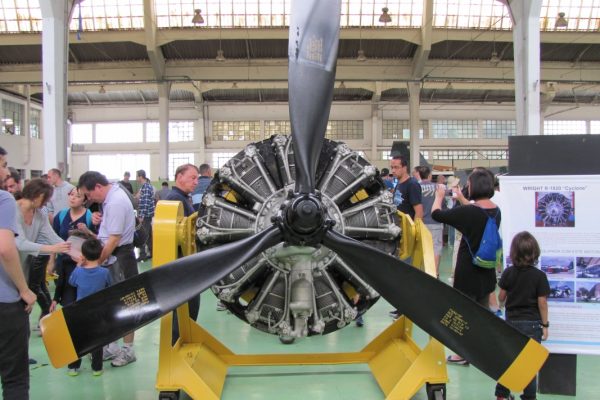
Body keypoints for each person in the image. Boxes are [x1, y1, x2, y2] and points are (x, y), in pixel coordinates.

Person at [431, 167, 499, 365]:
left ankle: (462, 354)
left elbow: (437, 214)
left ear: (474, 186)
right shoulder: (496, 210)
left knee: (462, 314)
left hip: (468, 271)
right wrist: (461, 198)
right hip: (486, 269)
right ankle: (481, 351)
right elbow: (476, 213)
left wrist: (439, 196)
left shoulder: (468, 212)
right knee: (482, 313)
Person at [77, 171, 137, 367]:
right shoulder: (110, 197)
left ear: (98, 187)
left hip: (120, 258)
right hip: (112, 255)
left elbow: (113, 240)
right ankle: (112, 346)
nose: (89, 199)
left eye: (88, 194)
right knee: (112, 303)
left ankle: (128, 350)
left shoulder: (115, 202)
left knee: (125, 303)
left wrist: (96, 262)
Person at [0, 146, 37, 400]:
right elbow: (6, 248)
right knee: (14, 379)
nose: (6, 172)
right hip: (5, 304)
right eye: (3, 165)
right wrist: (24, 290)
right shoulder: (4, 200)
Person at [494, 231, 550, 400]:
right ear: (534, 253)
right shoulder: (540, 276)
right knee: (529, 365)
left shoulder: (508, 272)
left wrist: (503, 302)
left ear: (514, 252)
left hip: (511, 323)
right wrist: (545, 325)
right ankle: (529, 397)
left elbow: (501, 297)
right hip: (532, 325)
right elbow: (542, 303)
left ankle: (501, 395)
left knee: (509, 361)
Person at [14, 179, 71, 323]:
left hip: (23, 268)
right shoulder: (13, 210)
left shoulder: (40, 213)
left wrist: (72, 249)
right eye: (46, 198)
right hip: (8, 267)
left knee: (22, 313)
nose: (47, 202)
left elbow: (50, 235)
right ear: (38, 195)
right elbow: (20, 243)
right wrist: (52, 249)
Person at [166, 164, 202, 341]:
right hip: (181, 266)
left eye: (197, 178)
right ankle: (177, 345)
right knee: (183, 311)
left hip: (185, 265)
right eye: (192, 177)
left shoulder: (183, 198)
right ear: (179, 177)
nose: (196, 182)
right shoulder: (175, 200)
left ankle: (181, 343)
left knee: (188, 310)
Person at [67, 238, 112, 377]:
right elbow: (110, 286)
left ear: (83, 255)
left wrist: (78, 265)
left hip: (80, 310)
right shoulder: (104, 272)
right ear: (100, 254)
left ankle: (73, 367)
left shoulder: (79, 272)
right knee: (97, 340)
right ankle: (97, 368)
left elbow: (71, 282)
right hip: (98, 310)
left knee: (78, 339)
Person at [50, 187, 96, 312]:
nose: (73, 198)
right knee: (66, 301)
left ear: (84, 200)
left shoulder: (90, 217)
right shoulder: (61, 215)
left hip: (82, 265)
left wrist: (87, 231)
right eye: (71, 195)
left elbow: (96, 242)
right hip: (63, 264)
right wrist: (51, 262)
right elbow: (53, 239)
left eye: (78, 196)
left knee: (82, 301)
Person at [416, 166, 444, 278]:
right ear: (430, 175)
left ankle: (423, 273)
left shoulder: (416, 187)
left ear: (419, 175)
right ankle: (434, 273)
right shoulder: (438, 187)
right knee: (436, 248)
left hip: (421, 222)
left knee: (422, 248)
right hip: (436, 221)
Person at [390, 156, 423, 221]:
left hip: (408, 225)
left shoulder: (412, 184)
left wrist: (414, 227)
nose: (393, 171)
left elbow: (419, 212)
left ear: (404, 168)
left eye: (396, 167)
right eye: (392, 167)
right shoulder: (398, 184)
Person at [135, 169, 155, 262]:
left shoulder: (146, 187)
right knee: (149, 235)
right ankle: (152, 252)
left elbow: (145, 202)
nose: (136, 178)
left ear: (140, 177)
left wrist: (141, 216)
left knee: (142, 235)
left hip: (145, 215)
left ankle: (142, 255)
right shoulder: (144, 187)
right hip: (147, 215)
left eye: (137, 176)